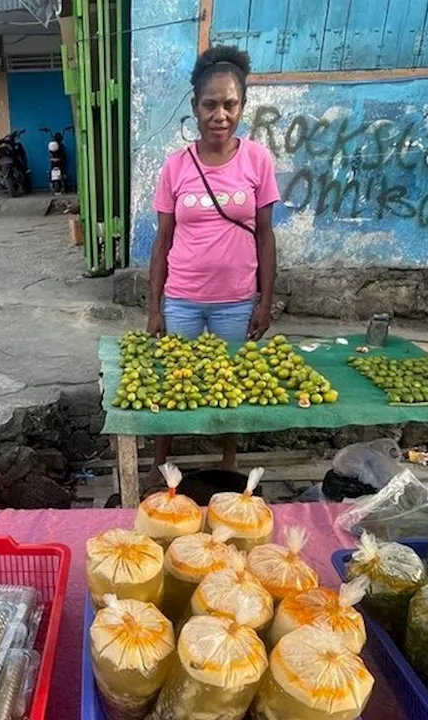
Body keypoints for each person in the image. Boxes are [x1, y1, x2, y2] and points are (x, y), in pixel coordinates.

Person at [147, 45, 280, 473]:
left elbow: (264, 234)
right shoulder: (175, 167)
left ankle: (227, 463)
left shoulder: (257, 159)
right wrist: (154, 308)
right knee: (171, 383)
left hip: (236, 300)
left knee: (230, 382)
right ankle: (161, 463)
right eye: (210, 105)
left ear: (242, 106)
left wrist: (264, 301)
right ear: (194, 107)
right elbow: (162, 240)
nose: (219, 114)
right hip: (182, 297)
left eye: (230, 104)